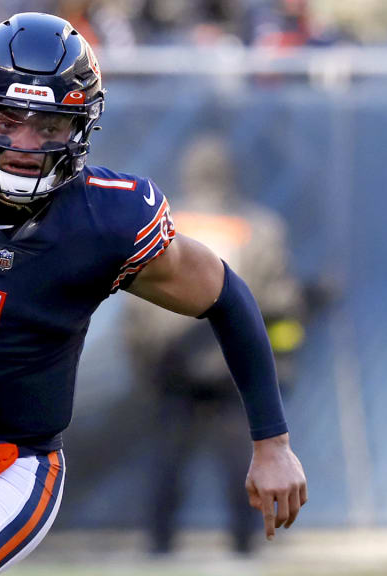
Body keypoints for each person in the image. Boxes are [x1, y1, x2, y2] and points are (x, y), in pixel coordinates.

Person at [0, 12, 307, 575]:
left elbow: (225, 295)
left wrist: (272, 442)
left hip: (8, 462)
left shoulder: (110, 219)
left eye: (50, 126)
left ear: (81, 128)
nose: (24, 145)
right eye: (6, 118)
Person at [124, 134, 305, 555]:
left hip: (171, 365)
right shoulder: (259, 228)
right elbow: (280, 305)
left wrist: (143, 362)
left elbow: (134, 309)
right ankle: (247, 547)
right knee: (245, 459)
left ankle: (158, 546)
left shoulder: (160, 221)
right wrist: (282, 364)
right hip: (235, 367)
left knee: (166, 461)